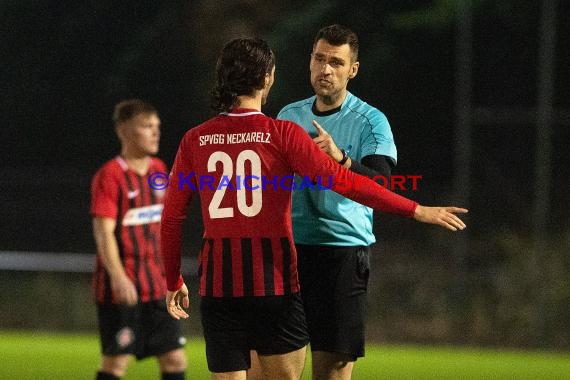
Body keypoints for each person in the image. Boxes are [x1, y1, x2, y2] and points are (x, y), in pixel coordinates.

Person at [160, 37, 466, 380]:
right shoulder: (283, 133)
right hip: (272, 284)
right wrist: (415, 209)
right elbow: (345, 182)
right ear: (267, 79)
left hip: (218, 286)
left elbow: (171, 218)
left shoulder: (194, 139)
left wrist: (172, 277)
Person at [275, 24, 416, 379]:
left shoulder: (371, 121)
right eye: (319, 59)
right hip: (289, 254)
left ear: (352, 70)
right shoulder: (288, 116)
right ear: (309, 62)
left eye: (336, 62)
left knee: (333, 371)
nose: (325, 69)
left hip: (341, 254)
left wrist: (341, 159)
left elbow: (384, 185)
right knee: (277, 372)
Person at [90, 99, 187, 380]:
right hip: (123, 290)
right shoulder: (110, 176)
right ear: (124, 131)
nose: (155, 132)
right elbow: (103, 232)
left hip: (157, 288)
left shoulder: (159, 169)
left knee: (174, 360)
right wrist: (119, 277)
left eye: (157, 126)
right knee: (115, 363)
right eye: (146, 126)